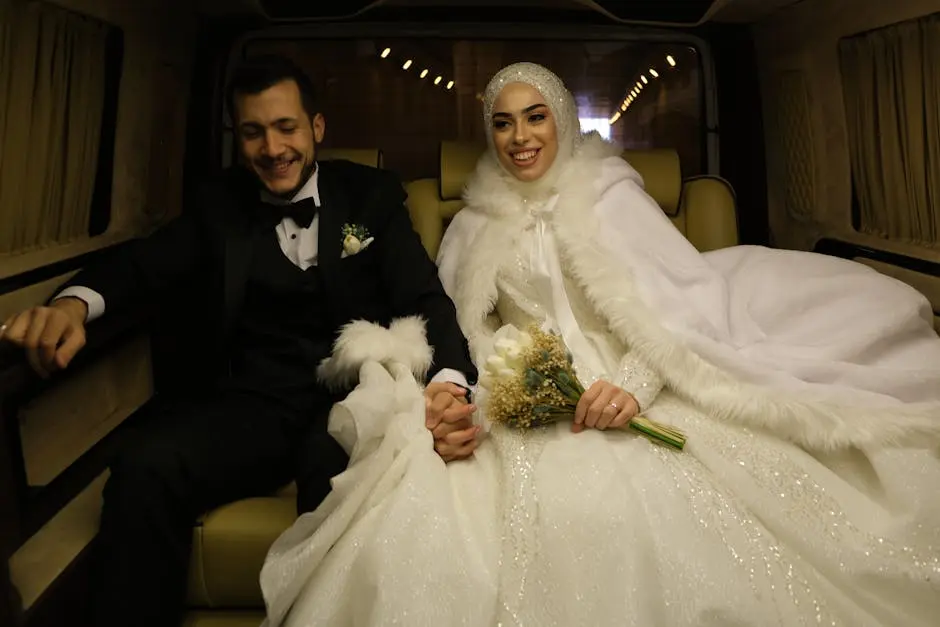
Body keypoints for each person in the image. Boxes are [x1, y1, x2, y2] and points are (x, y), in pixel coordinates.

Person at [257, 62, 940, 626]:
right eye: (502, 122)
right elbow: (461, 328)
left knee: (655, 498)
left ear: (560, 119)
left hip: (629, 372)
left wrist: (636, 383)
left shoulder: (611, 195)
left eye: (535, 117)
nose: (518, 137)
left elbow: (679, 309)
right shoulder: (472, 223)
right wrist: (493, 381)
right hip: (520, 384)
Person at [0, 54, 478, 627]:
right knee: (143, 469)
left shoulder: (371, 197)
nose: (272, 148)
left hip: (352, 398)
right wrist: (73, 303)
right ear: (238, 138)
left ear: (316, 129)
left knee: (338, 479)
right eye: (253, 132)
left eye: (286, 128)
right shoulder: (217, 204)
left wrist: (451, 381)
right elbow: (142, 265)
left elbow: (424, 298)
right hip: (254, 401)